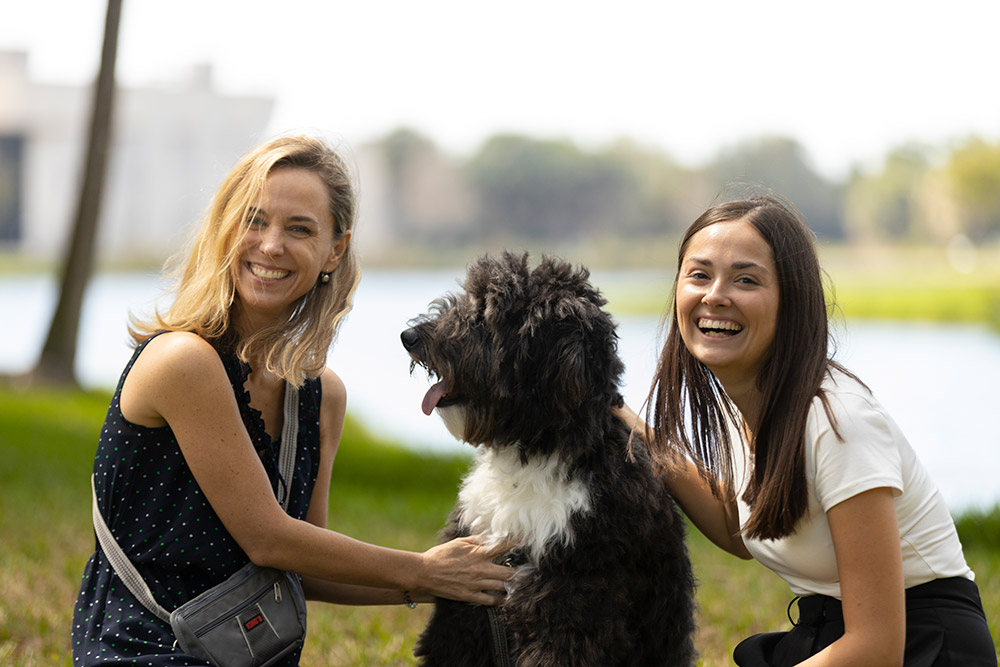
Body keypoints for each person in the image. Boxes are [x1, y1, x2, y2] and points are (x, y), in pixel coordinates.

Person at [72, 135, 512, 665]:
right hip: (142, 652)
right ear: (225, 228)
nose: (271, 245)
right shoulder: (183, 362)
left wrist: (454, 582)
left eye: (299, 228)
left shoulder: (321, 397)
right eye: (253, 221)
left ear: (335, 250)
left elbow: (304, 566)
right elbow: (269, 539)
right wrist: (423, 569)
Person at [620, 194, 996, 665]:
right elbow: (742, 533)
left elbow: (877, 647)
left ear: (791, 300)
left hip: (924, 647)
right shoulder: (752, 408)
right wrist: (626, 422)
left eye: (745, 279)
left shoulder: (837, 420)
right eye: (699, 274)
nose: (715, 294)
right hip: (834, 637)